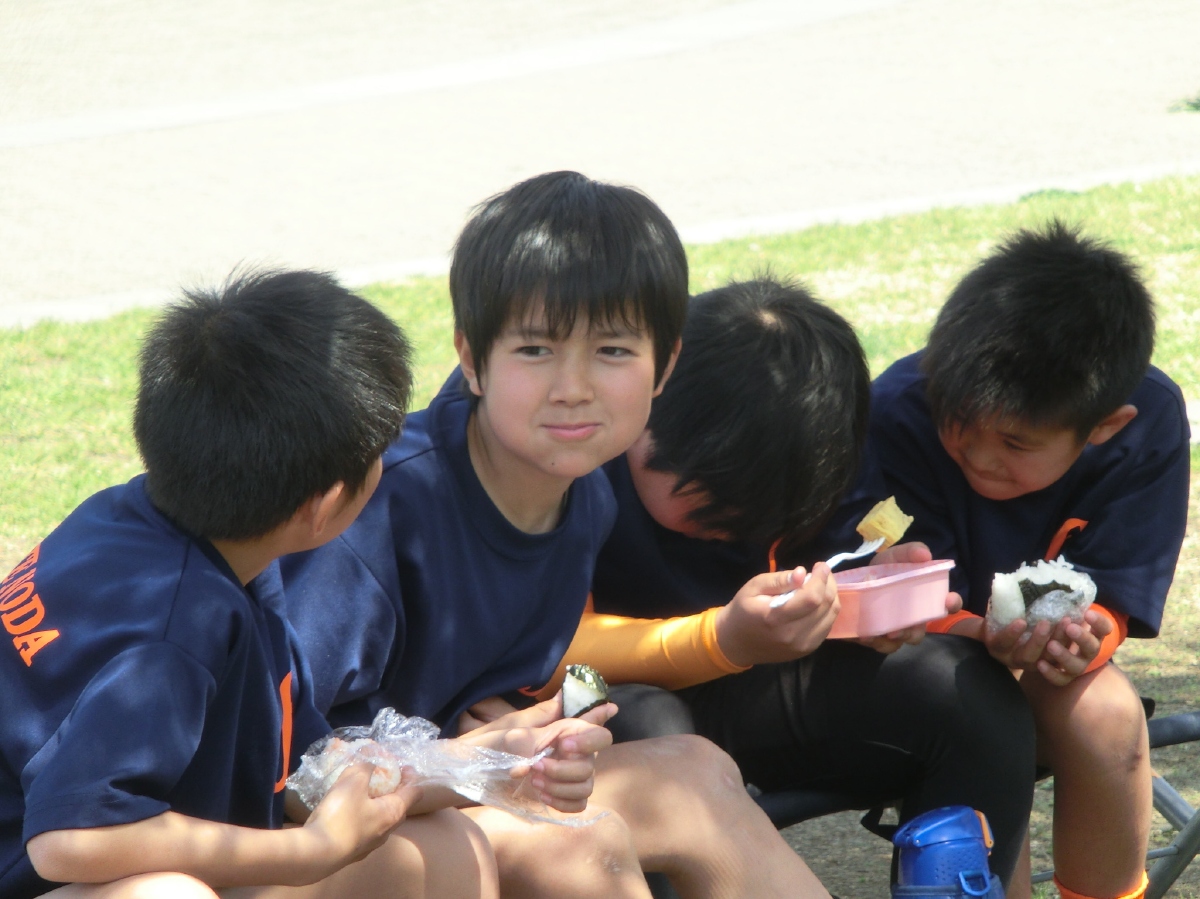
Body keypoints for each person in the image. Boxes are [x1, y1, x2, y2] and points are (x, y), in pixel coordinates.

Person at [268, 172, 832, 898]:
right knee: (578, 843)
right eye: (536, 349)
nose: (574, 386)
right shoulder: (377, 509)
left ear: (665, 365)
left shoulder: (584, 501)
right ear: (471, 358)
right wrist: (469, 764)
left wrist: (515, 751)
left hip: (428, 789)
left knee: (697, 771)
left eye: (613, 351)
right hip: (292, 840)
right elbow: (285, 770)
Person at [1, 269, 611, 899]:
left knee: (446, 847)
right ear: (324, 506)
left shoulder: (152, 531)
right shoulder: (175, 631)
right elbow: (68, 840)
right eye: (379, 455)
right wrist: (309, 852)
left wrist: (487, 767)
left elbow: (306, 774)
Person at [550, 275, 1038, 888]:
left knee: (968, 695)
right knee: (658, 741)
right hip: (605, 697)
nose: (734, 534)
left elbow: (837, 557)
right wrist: (723, 639)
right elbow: (545, 650)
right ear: (650, 399)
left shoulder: (806, 434)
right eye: (713, 510)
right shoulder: (569, 446)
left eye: (762, 517)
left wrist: (868, 600)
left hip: (755, 686)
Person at [851, 223, 1191, 899]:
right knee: (979, 708)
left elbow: (1115, 592)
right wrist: (982, 635)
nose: (980, 455)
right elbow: (888, 595)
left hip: (1031, 667)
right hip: (916, 663)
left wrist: (1086, 637)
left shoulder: (1148, 423)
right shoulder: (898, 413)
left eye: (1015, 442)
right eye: (959, 422)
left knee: (1107, 713)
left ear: (1103, 427)